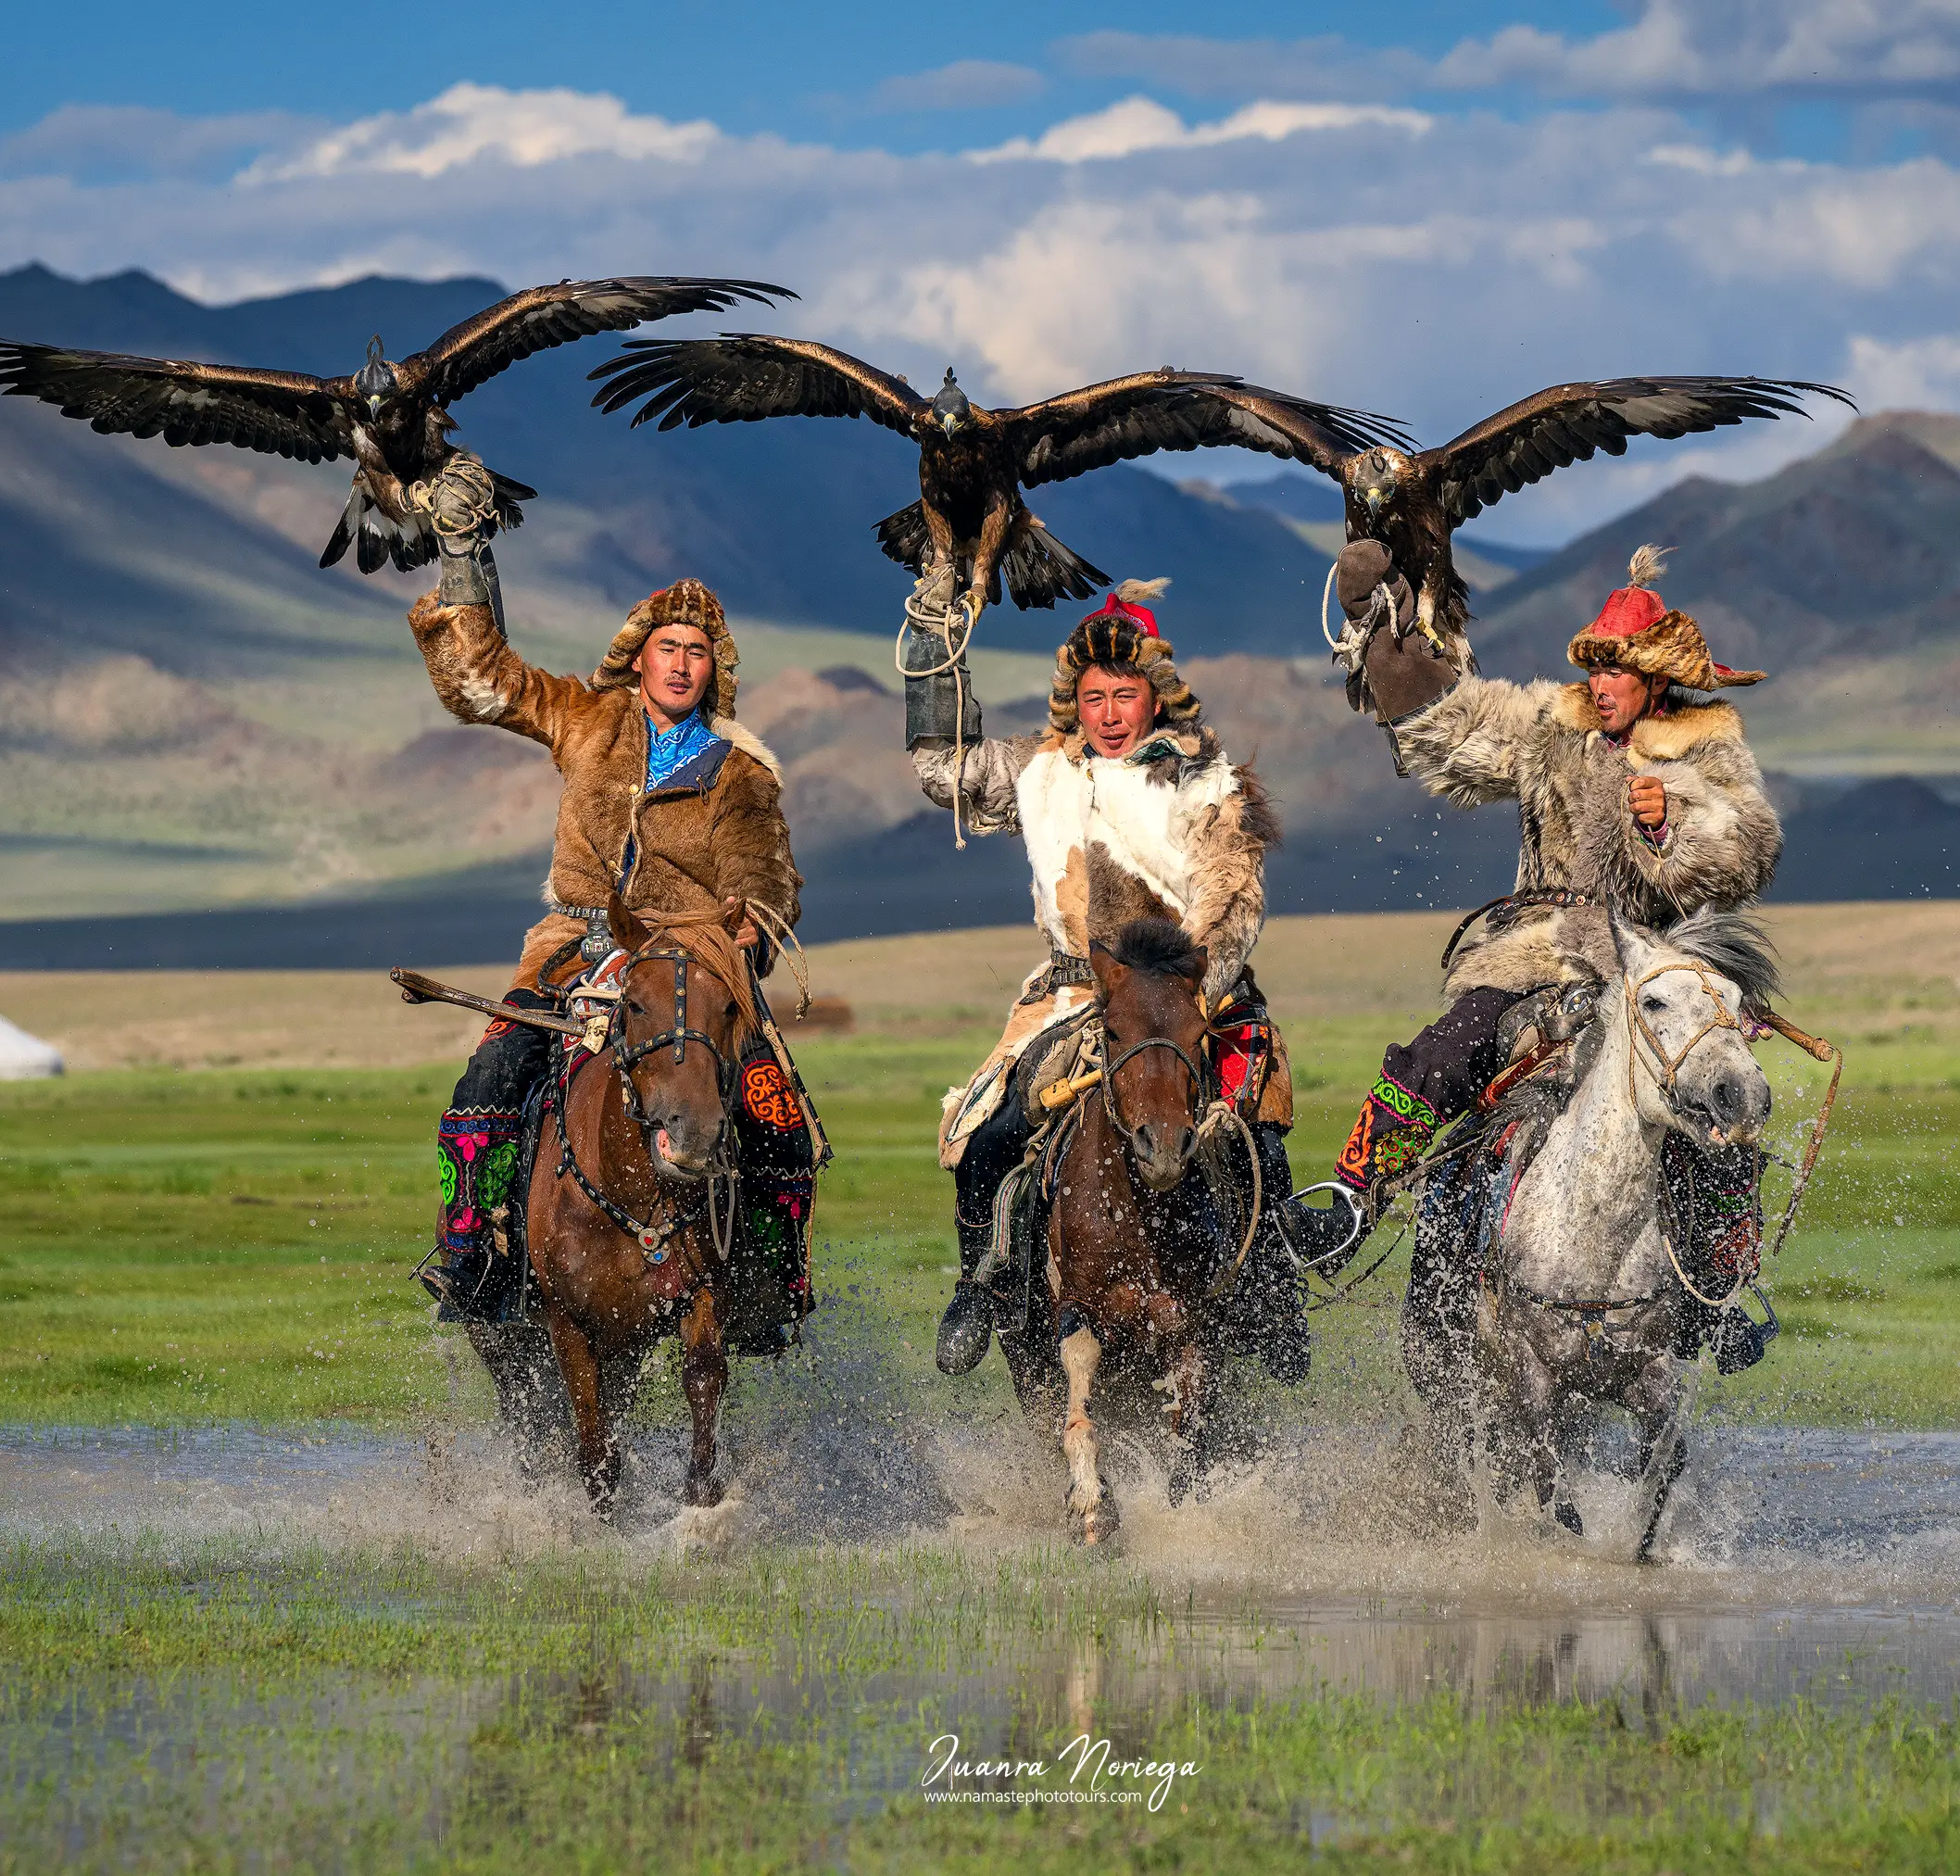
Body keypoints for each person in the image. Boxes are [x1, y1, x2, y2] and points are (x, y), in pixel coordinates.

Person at [1283, 540, 1784, 1365]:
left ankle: (1719, 1291)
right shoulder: (1553, 728)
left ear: (1656, 680)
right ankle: (1352, 1195)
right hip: (1541, 953)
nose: (1599, 683)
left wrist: (1669, 824)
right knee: (1451, 1044)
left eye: (1616, 670)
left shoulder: (1704, 753)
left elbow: (1749, 845)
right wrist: (1386, 641)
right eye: (1593, 666)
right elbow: (1459, 729)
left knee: (1718, 1097)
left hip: (1655, 966)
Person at [407, 461, 815, 1355]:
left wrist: (749, 920)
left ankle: (768, 1284)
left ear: (715, 669)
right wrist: (464, 552)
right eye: (667, 646)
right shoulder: (587, 719)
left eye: (697, 651)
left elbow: (768, 875)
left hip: (689, 965)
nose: (680, 662)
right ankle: (476, 1257)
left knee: (775, 1111)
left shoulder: (740, 771)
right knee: (486, 1087)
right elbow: (487, 680)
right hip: (568, 953)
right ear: (639, 656)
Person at [907, 576, 1307, 1382]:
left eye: (1127, 694)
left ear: (1156, 697)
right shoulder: (1043, 770)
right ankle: (979, 1283)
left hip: (1191, 994)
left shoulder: (1206, 781)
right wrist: (932, 641)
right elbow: (943, 770)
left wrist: (1187, 984)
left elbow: (1233, 900)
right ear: (1076, 700)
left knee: (1253, 1133)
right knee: (990, 1135)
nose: (1111, 714)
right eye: (1095, 697)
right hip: (1072, 993)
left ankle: (1271, 1288)